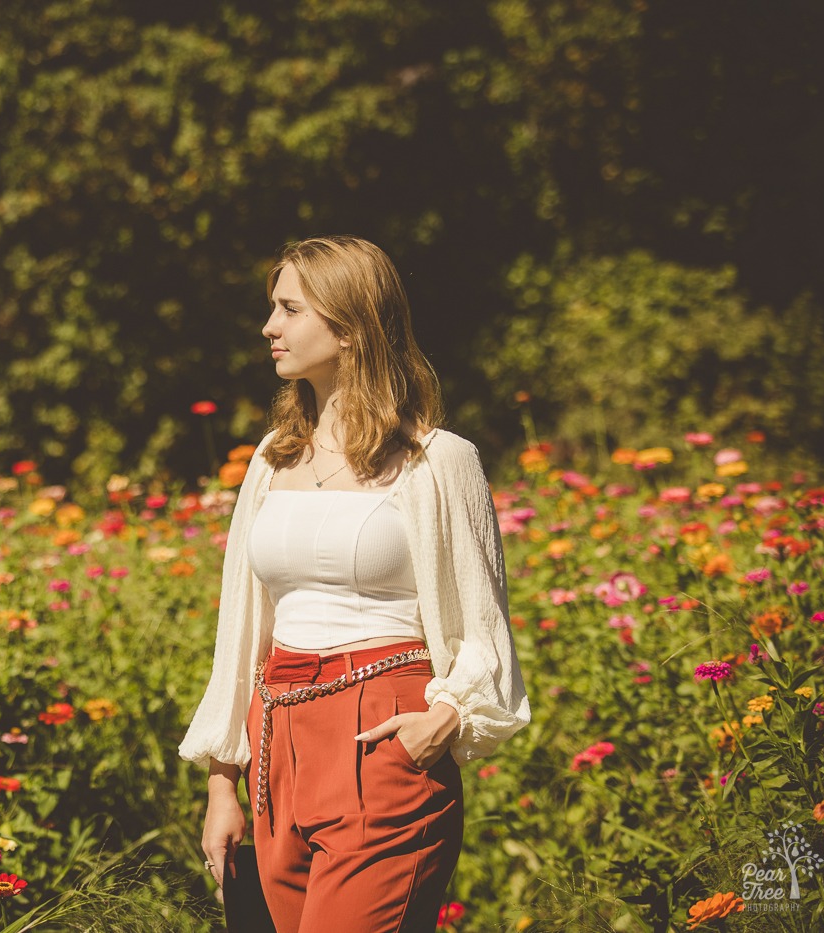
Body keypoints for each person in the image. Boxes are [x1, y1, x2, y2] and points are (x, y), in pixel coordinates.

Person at [179, 236, 531, 933]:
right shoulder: (271, 461)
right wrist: (224, 782)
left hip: (383, 735)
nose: (268, 327)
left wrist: (446, 717)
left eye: (288, 308)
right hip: (276, 739)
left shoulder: (439, 462)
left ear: (348, 325)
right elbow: (242, 630)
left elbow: (485, 631)